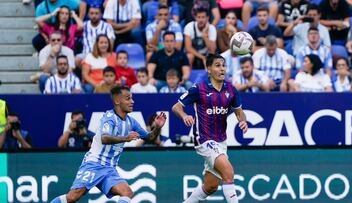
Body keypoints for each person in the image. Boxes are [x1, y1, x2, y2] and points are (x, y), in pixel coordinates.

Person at [50, 85, 167, 203]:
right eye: (128, 98)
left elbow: (150, 137)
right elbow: (104, 138)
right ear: (117, 101)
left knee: (127, 193)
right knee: (72, 197)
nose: (132, 101)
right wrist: (125, 138)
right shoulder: (109, 118)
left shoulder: (131, 122)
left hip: (109, 169)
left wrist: (157, 127)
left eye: (132, 98)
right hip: (94, 164)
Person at [172, 54, 248, 203]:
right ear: (209, 69)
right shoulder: (198, 89)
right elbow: (176, 107)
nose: (222, 69)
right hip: (204, 139)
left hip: (221, 141)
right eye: (217, 65)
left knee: (211, 186)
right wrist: (184, 116)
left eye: (224, 65)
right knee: (228, 172)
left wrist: (243, 121)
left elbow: (239, 112)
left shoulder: (232, 90)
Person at [184, 5, 217, 69]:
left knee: (210, 57)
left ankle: (209, 78)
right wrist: (202, 57)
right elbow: (188, 48)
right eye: (199, 17)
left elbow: (213, 49)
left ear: (207, 18)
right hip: (194, 53)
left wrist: (205, 36)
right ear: (195, 18)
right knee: (189, 56)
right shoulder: (189, 27)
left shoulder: (211, 28)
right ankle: (187, 77)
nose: (201, 20)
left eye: (203, 17)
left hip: (206, 54)